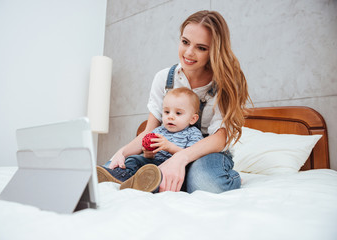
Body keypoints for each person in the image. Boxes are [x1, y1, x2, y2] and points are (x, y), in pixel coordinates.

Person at [107, 10, 251, 193]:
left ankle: (229, 176)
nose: (189, 53)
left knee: (205, 183)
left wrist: (180, 158)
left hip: (209, 152)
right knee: (116, 167)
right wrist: (123, 152)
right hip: (166, 152)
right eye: (185, 42)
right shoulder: (163, 78)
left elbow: (220, 138)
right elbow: (150, 131)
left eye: (201, 48)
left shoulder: (226, 83)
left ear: (214, 50)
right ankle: (170, 178)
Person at [97, 87, 203, 192]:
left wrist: (170, 147)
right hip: (153, 165)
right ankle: (120, 177)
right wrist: (149, 153)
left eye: (178, 113)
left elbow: (192, 156)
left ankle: (146, 184)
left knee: (156, 173)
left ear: (193, 119)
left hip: (175, 169)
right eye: (166, 112)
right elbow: (148, 156)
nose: (170, 117)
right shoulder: (158, 131)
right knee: (134, 159)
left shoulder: (193, 133)